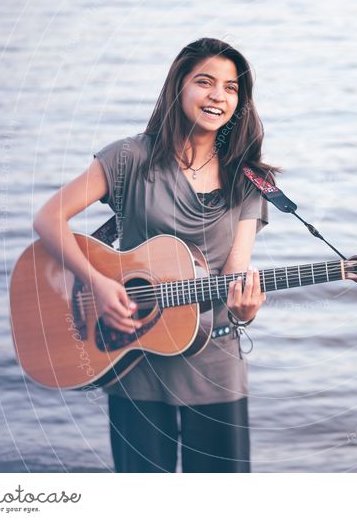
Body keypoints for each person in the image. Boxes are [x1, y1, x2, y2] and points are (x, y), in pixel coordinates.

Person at [32, 37, 277, 472]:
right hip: (134, 358)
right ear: (178, 86)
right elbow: (49, 219)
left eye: (231, 88)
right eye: (205, 82)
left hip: (215, 362)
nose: (218, 95)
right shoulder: (130, 157)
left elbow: (235, 272)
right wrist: (100, 285)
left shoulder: (247, 177)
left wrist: (247, 310)